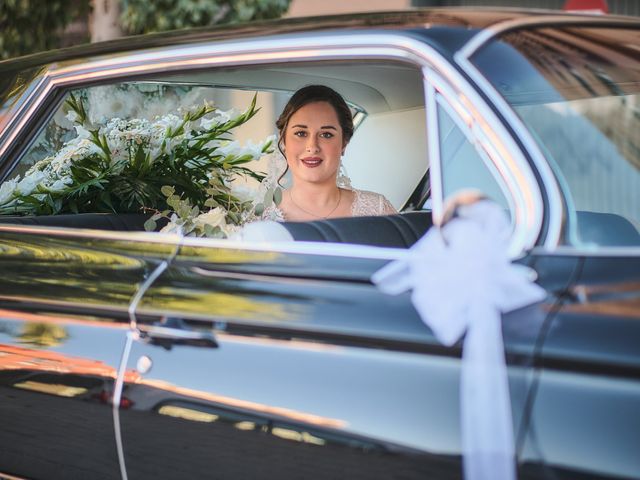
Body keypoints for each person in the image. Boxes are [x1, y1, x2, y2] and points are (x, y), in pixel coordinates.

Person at [262, 85, 397, 222]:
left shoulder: (377, 210)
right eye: (301, 133)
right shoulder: (262, 215)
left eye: (326, 135)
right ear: (283, 140)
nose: (312, 147)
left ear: (344, 143)